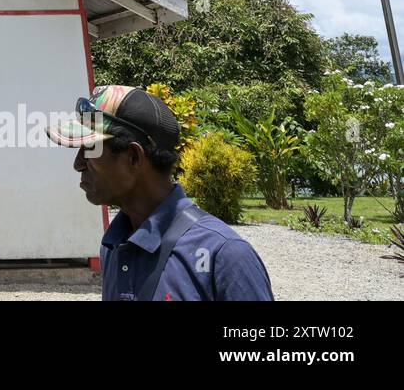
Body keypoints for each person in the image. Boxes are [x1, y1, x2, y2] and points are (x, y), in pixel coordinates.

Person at [48, 85, 274, 301]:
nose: (78, 164)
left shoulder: (224, 254)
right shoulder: (115, 246)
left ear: (134, 157)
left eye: (90, 149)